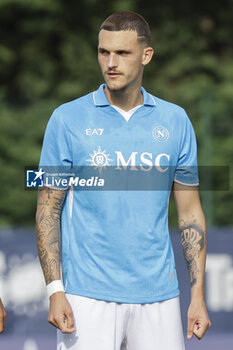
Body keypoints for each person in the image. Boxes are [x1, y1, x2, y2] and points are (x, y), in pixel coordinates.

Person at [36, 11, 211, 350]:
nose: (110, 63)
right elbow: (47, 209)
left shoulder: (176, 121)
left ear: (146, 55)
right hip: (87, 296)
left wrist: (199, 295)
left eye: (122, 53)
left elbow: (190, 213)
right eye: (104, 52)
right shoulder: (66, 119)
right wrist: (55, 291)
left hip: (160, 296)